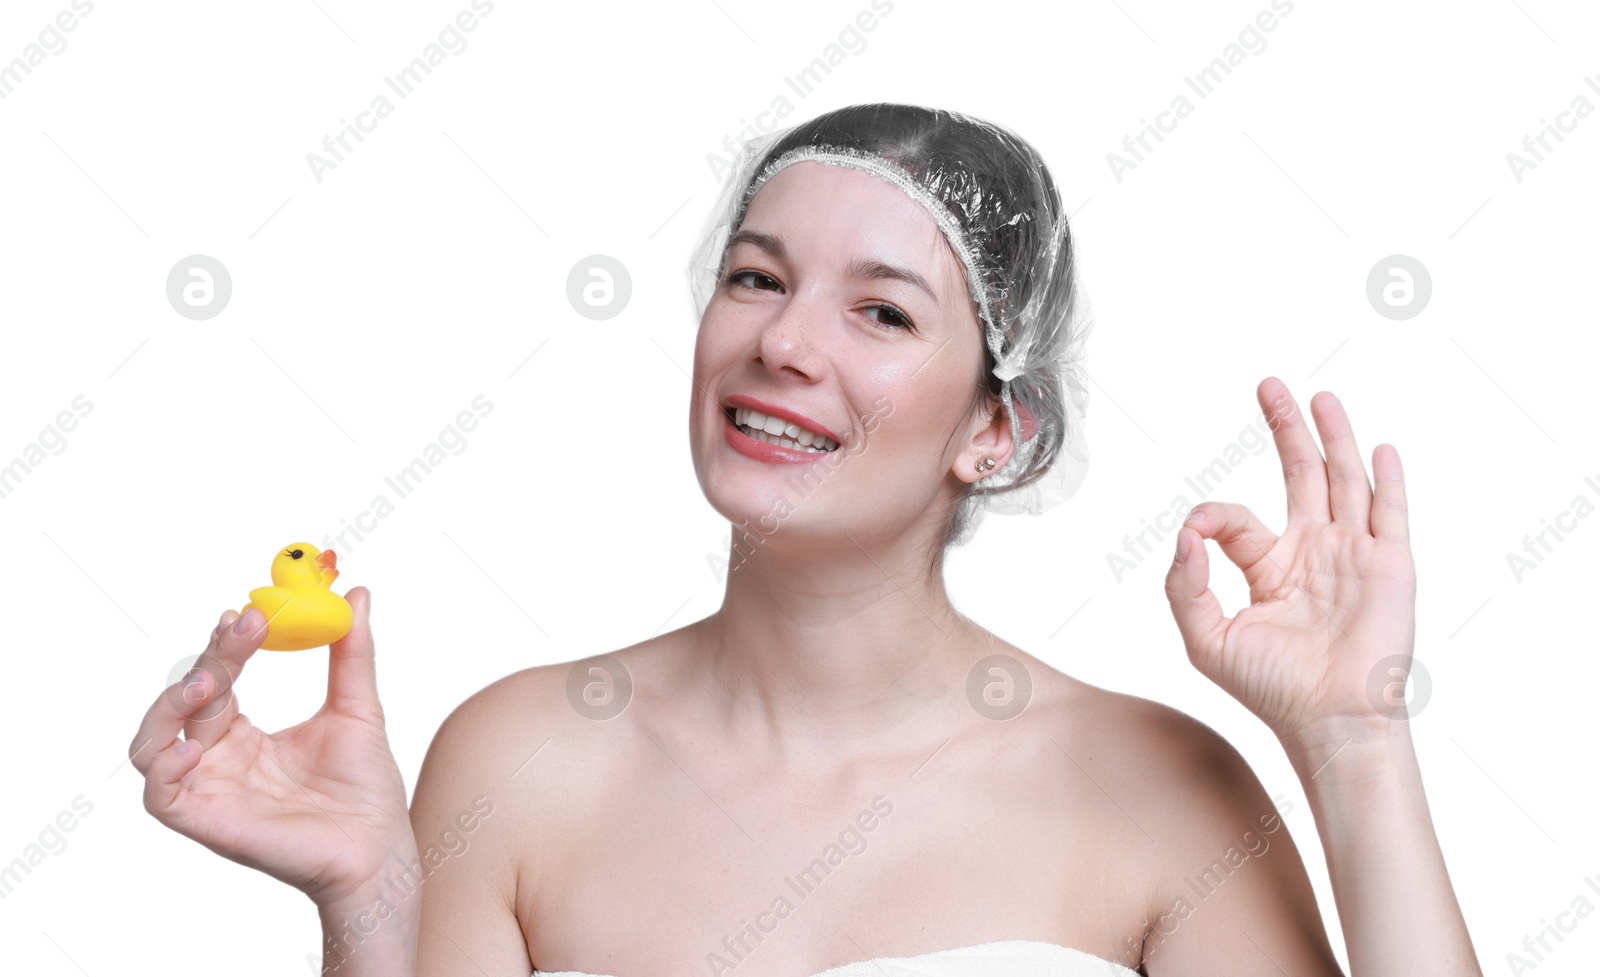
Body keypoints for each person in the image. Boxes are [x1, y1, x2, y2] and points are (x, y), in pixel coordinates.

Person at [130, 103, 1482, 976]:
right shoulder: (521, 758)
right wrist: (368, 903)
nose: (780, 342)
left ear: (996, 429)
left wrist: (1356, 744)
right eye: (757, 278)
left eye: (882, 313)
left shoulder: (1162, 791)